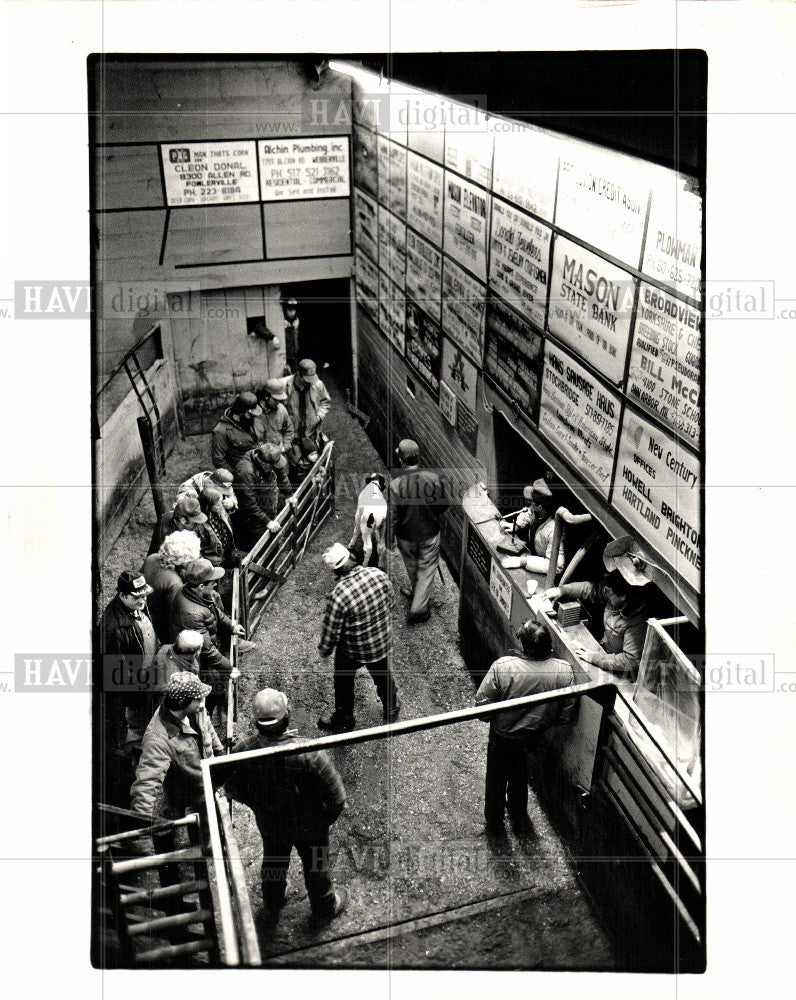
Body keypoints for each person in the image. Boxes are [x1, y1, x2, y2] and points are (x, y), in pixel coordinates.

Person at [221, 688, 349, 922]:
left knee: (274, 859)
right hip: (311, 827)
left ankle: (273, 899)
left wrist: (257, 805)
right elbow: (337, 797)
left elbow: (231, 789)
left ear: (256, 722)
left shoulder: (243, 751)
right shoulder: (310, 753)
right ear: (287, 716)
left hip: (271, 823)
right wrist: (323, 820)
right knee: (317, 864)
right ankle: (324, 907)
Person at [475, 621, 576, 833]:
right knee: (520, 773)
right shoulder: (564, 671)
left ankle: (494, 822)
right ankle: (518, 814)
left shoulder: (503, 668)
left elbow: (482, 710)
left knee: (496, 778)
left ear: (524, 646)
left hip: (503, 736)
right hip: (534, 737)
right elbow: (566, 714)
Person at [317, 542, 400, 731]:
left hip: (354, 650)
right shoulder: (378, 574)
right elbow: (391, 602)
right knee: (382, 674)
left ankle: (344, 718)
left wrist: (324, 651)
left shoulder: (338, 595)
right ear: (351, 558)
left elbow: (331, 633)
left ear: (335, 570)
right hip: (381, 642)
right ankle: (391, 708)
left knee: (343, 680)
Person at [130, 672, 223, 821]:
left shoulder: (196, 710)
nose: (203, 703)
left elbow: (209, 731)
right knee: (202, 838)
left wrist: (220, 755)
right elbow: (146, 785)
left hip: (209, 788)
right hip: (191, 800)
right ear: (182, 703)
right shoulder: (158, 739)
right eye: (198, 699)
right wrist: (140, 826)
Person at [539, 553, 651, 678]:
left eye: (609, 593)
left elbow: (630, 661)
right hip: (605, 651)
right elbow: (590, 590)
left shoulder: (638, 621)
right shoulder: (614, 595)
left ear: (623, 596)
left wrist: (593, 657)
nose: (605, 594)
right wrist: (562, 590)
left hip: (620, 672)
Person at [99, 571, 158, 801]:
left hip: (143, 680)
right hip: (130, 694)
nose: (143, 601)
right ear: (122, 596)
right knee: (130, 734)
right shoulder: (113, 628)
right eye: (136, 597)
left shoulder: (139, 608)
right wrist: (138, 690)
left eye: (145, 595)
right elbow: (117, 675)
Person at [169, 559, 246, 716]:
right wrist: (229, 668)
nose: (216, 584)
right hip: (199, 660)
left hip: (207, 652)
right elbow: (206, 649)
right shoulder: (191, 614)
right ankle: (207, 716)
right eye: (213, 582)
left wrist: (231, 625)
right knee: (213, 688)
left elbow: (214, 611)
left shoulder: (196, 593)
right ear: (201, 585)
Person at [388, 438, 447, 624]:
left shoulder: (395, 485)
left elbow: (392, 516)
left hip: (405, 536)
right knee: (427, 569)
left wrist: (389, 538)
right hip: (429, 533)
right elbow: (443, 505)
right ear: (418, 458)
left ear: (401, 460)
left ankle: (418, 609)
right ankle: (419, 600)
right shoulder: (433, 478)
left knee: (412, 566)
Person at [142, 530, 201, 642]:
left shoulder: (152, 558)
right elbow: (173, 619)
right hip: (158, 627)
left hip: (146, 612)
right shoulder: (175, 583)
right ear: (184, 560)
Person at [499, 478, 566, 576]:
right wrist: (517, 525)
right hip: (535, 554)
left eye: (531, 501)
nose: (528, 503)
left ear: (540, 507)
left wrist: (524, 561)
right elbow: (529, 512)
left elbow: (556, 567)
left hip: (544, 570)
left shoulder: (554, 531)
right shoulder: (539, 511)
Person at [233, 443, 284, 550]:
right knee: (260, 548)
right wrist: (267, 521)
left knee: (271, 544)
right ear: (265, 464)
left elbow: (281, 472)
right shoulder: (246, 473)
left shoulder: (269, 460)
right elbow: (248, 503)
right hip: (254, 520)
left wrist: (289, 494)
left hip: (268, 508)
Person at [283, 359, 332, 454]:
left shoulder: (318, 384)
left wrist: (319, 417)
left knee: (313, 457)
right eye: (307, 379)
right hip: (292, 433)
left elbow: (325, 402)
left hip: (311, 431)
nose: (310, 382)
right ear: (298, 374)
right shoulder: (285, 386)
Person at [211, 391, 264, 472]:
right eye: (251, 415)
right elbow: (219, 460)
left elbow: (262, 437)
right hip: (242, 474)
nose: (254, 417)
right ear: (240, 412)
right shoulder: (221, 431)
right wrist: (236, 475)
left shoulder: (252, 420)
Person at [348, 473, 387, 568]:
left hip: (368, 513)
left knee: (367, 539)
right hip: (382, 512)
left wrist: (358, 526)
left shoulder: (365, 493)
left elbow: (358, 517)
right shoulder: (381, 497)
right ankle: (380, 562)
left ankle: (365, 563)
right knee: (381, 539)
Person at [257, 377, 296, 458]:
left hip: (280, 454)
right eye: (275, 399)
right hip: (262, 457)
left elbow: (289, 429)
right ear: (266, 396)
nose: (278, 403)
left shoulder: (281, 410)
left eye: (280, 400)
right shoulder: (255, 413)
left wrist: (285, 447)